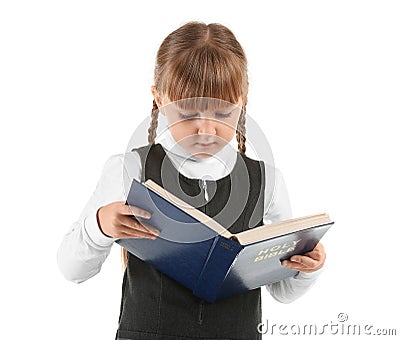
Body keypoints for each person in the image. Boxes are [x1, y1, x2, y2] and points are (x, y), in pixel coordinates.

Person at [57, 21, 326, 340]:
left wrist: (308, 265)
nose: (206, 131)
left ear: (243, 100)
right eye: (187, 114)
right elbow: (71, 269)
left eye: (223, 114)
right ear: (159, 98)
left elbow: (284, 292)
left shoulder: (265, 180)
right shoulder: (130, 168)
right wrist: (99, 225)